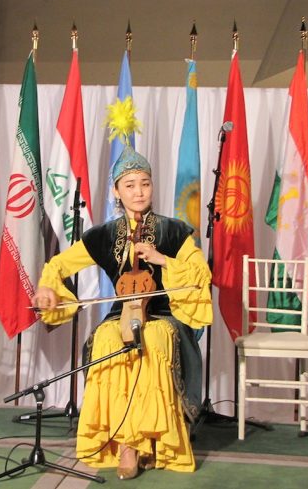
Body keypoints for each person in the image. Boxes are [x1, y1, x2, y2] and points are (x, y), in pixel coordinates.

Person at [32, 144, 212, 480]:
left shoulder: (174, 230)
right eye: (130, 185)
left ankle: (153, 442)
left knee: (154, 339)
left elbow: (201, 275)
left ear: (152, 187)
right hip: (120, 313)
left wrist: (161, 259)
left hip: (164, 314)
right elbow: (58, 264)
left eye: (145, 183)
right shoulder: (103, 235)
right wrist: (46, 287)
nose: (138, 191)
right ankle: (126, 443)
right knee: (106, 341)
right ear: (116, 191)